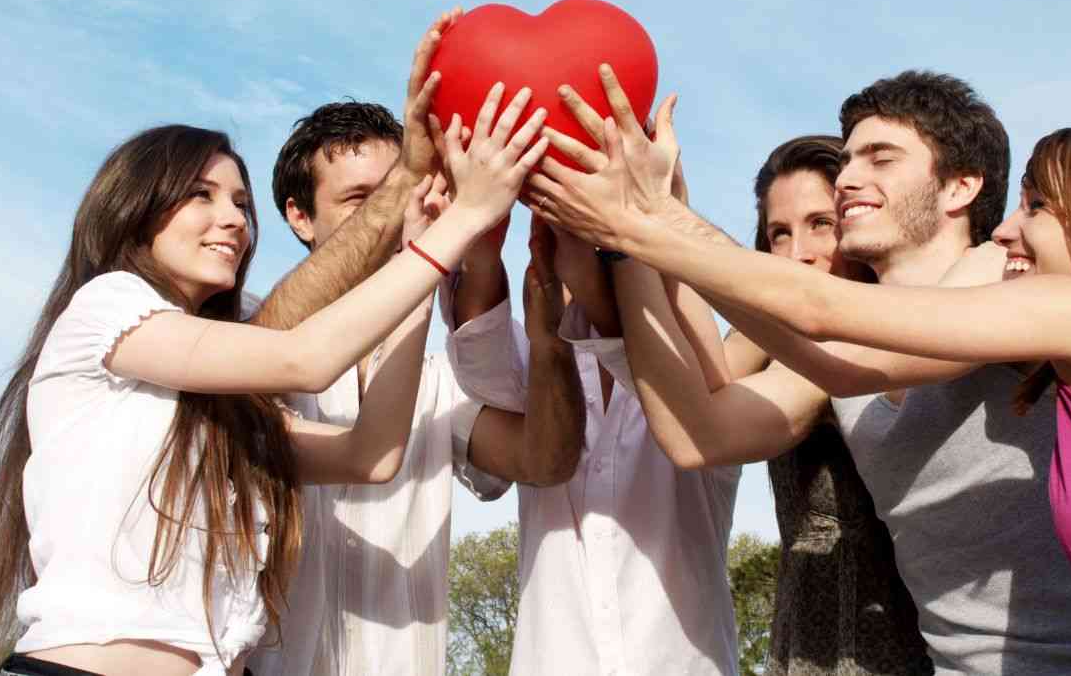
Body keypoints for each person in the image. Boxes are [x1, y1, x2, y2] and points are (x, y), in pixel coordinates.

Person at [530, 66, 1071, 674]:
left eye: (880, 159)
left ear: (959, 188)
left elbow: (828, 328)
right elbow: (697, 434)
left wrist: (646, 219)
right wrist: (625, 247)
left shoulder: (1002, 272)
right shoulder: (836, 360)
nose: (847, 180)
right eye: (847, 162)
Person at [0, 94, 548, 676]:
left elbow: (372, 456)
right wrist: (460, 224)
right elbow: (303, 358)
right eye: (200, 195)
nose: (234, 218)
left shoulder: (219, 401)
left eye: (239, 201)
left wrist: (415, 252)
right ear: (133, 207)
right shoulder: (106, 308)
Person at [248, 82, 585, 675]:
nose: (396, 212)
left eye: (405, 187)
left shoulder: (440, 378)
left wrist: (548, 336)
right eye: (362, 199)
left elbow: (544, 462)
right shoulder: (245, 332)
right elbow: (269, 348)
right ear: (299, 217)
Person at [607, 134, 931, 674]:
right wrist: (665, 221)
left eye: (820, 224)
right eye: (779, 234)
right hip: (802, 634)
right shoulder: (772, 337)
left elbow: (700, 433)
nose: (797, 252)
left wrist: (640, 232)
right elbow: (713, 375)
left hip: (888, 645)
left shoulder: (884, 334)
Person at [438, 144, 741, 673]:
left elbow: (672, 385)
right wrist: (484, 250)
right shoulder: (536, 358)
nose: (589, 239)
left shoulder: (694, 369)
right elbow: (480, 364)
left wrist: (655, 219)